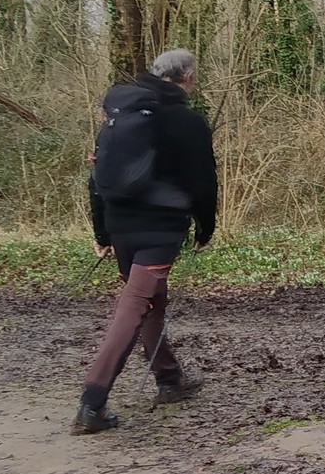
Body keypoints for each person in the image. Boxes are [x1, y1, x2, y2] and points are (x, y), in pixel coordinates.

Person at [74, 49, 218, 435]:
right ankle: (92, 403)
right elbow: (203, 181)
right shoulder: (187, 121)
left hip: (121, 224)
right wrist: (206, 227)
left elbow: (98, 173)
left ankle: (169, 379)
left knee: (151, 302)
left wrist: (102, 232)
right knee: (135, 307)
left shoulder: (119, 113)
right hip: (161, 227)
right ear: (187, 77)